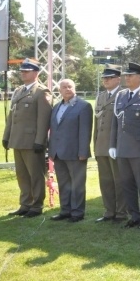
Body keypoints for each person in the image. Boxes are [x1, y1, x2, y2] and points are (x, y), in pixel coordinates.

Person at [109, 62, 140, 229]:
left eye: (130, 75)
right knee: (127, 184)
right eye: (126, 75)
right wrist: (112, 144)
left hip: (138, 149)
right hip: (122, 148)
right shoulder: (121, 96)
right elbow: (115, 122)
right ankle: (134, 216)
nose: (127, 78)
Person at [3, 58, 52, 218]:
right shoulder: (19, 91)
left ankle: (37, 205)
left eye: (27, 71)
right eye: (22, 71)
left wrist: (40, 140)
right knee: (22, 175)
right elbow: (12, 116)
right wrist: (6, 136)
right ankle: (25, 203)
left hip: (32, 142)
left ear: (36, 73)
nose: (23, 74)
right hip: (17, 139)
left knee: (35, 175)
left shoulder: (41, 92)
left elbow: (43, 119)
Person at [48, 79, 93, 222]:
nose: (67, 89)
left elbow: (85, 132)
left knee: (77, 184)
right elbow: (54, 131)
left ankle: (77, 213)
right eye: (64, 87)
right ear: (59, 90)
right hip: (58, 153)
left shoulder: (84, 106)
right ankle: (65, 210)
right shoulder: (56, 107)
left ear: (74, 88)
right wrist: (51, 151)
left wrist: (83, 152)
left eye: (70, 86)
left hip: (75, 153)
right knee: (63, 183)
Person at [93, 64, 127, 223]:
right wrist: (95, 144)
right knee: (105, 181)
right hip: (101, 145)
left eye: (110, 78)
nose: (106, 80)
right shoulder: (101, 97)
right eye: (104, 78)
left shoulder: (123, 95)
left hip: (116, 145)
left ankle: (121, 212)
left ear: (118, 79)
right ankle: (109, 211)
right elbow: (97, 124)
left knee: (119, 180)